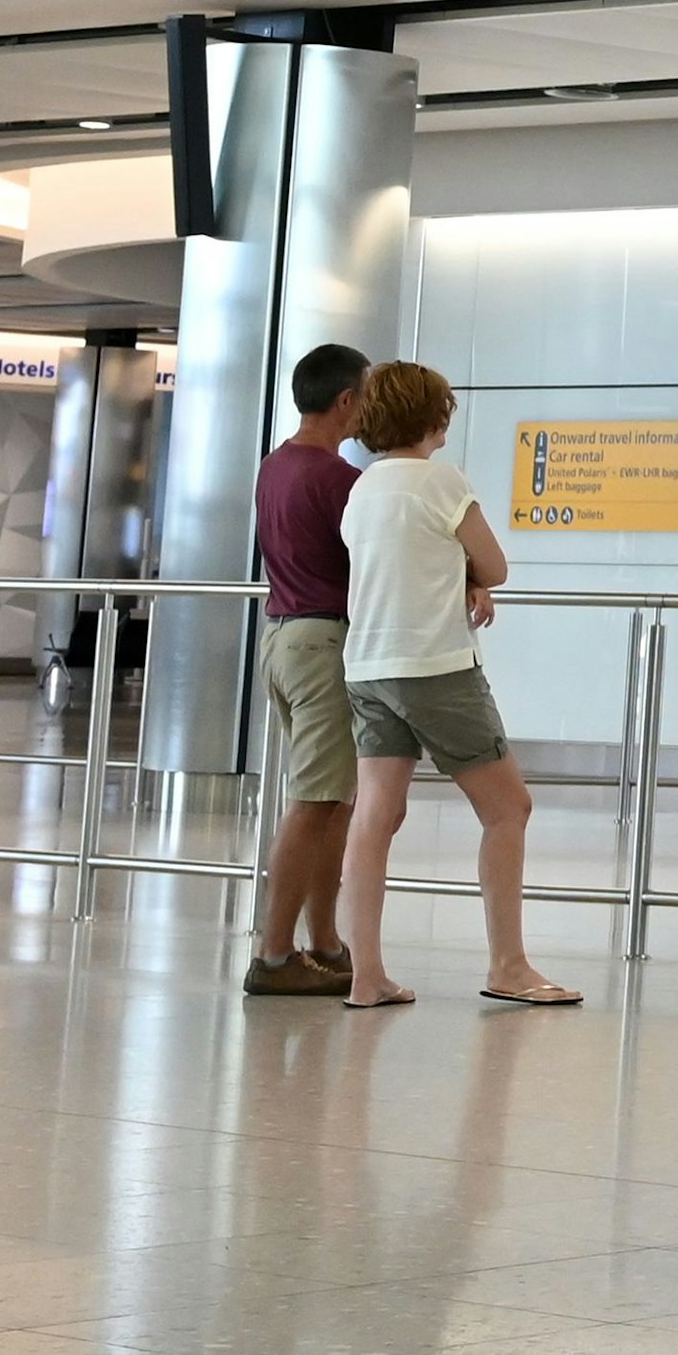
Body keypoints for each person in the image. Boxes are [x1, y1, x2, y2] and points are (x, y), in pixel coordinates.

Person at [335, 362, 577, 1011]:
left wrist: (457, 575)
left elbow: (403, 562)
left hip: (367, 667)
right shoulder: (441, 481)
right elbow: (495, 563)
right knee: (508, 808)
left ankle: (367, 973)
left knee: (375, 814)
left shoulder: (363, 489)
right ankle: (510, 964)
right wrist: (475, 577)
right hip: (436, 668)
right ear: (434, 419)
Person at [244, 344, 370, 998]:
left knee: (333, 799)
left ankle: (323, 940)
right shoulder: (339, 479)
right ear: (346, 400)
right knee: (315, 800)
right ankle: (273, 953)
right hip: (325, 643)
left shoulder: (273, 467)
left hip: (283, 638)